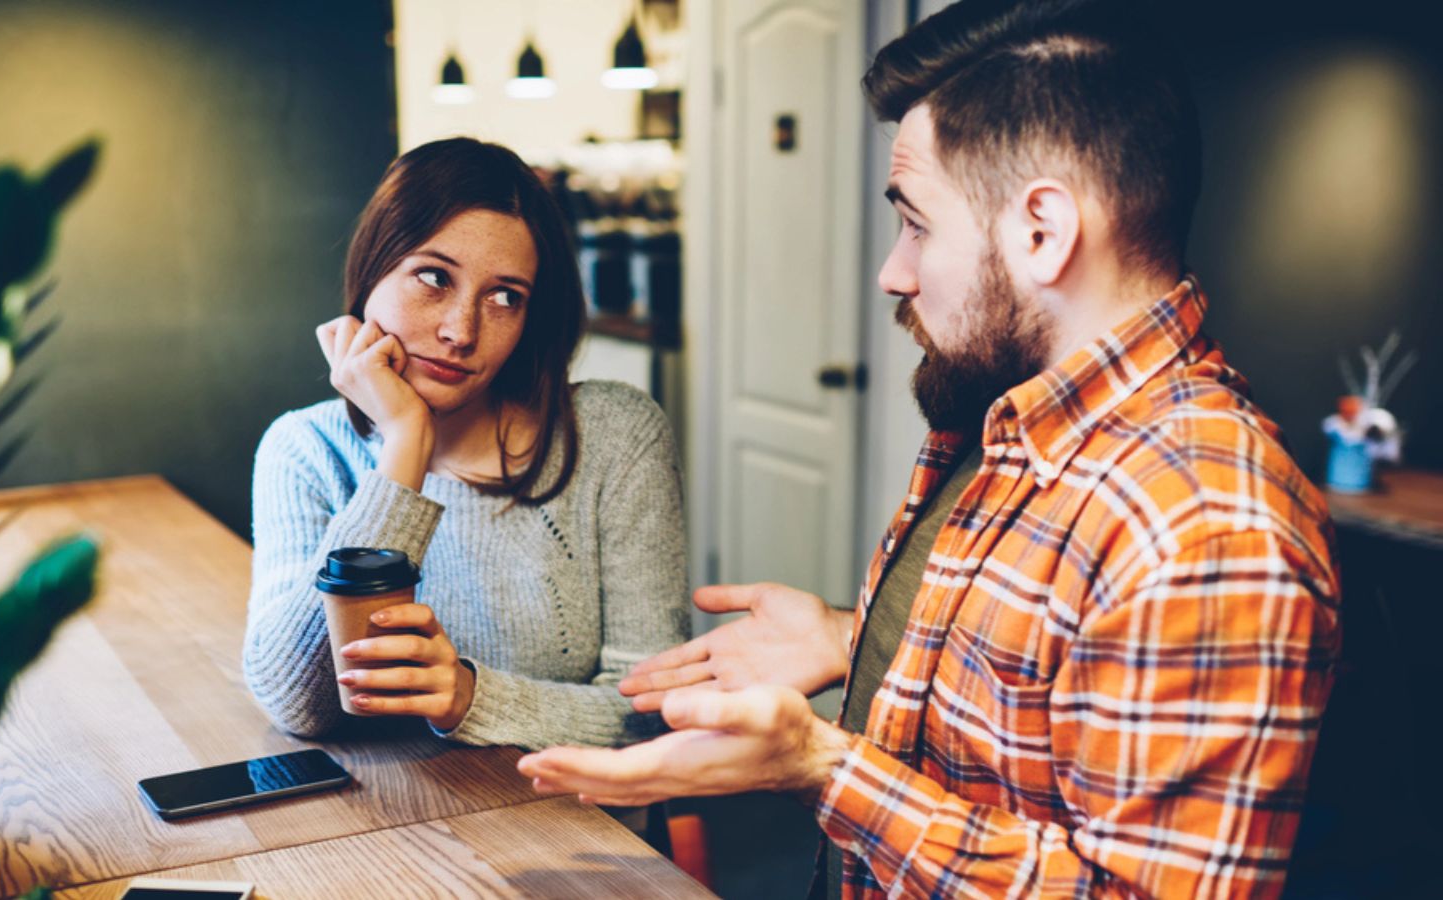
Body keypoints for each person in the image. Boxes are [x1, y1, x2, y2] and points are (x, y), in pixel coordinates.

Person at [518, 1, 1340, 895]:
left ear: (1043, 231)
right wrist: (855, 634)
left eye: (916, 223)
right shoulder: (1008, 422)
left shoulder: (1207, 529)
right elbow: (1036, 681)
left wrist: (820, 767)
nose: (894, 271)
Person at [244, 137, 689, 751]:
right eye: (433, 278)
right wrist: (404, 450)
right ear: (373, 269)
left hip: (571, 828)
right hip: (385, 828)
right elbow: (295, 700)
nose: (460, 331)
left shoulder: (615, 435)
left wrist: (467, 697)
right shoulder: (306, 448)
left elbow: (653, 713)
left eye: (505, 297)